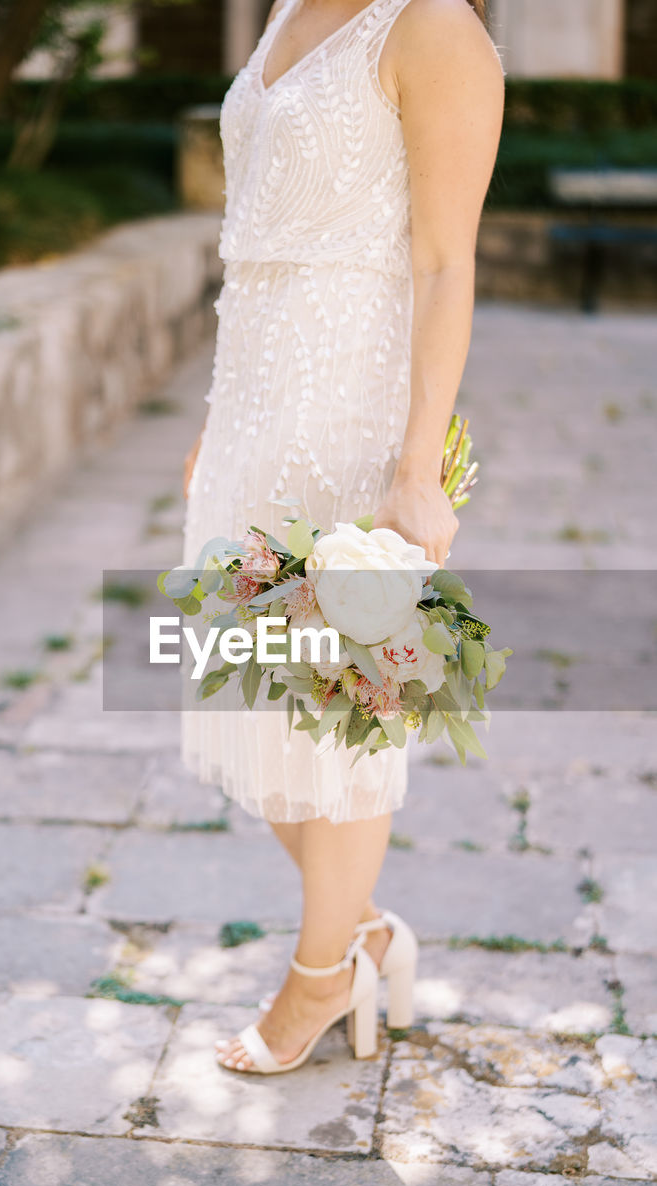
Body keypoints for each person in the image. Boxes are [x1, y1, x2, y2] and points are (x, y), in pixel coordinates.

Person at [180, 0, 504, 1073]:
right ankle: (361, 935)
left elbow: (446, 262)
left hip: (351, 420)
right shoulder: (282, 14)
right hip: (253, 406)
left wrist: (417, 466)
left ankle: (320, 979)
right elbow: (253, 247)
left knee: (345, 709)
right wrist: (211, 420)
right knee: (252, 683)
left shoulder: (432, 27)